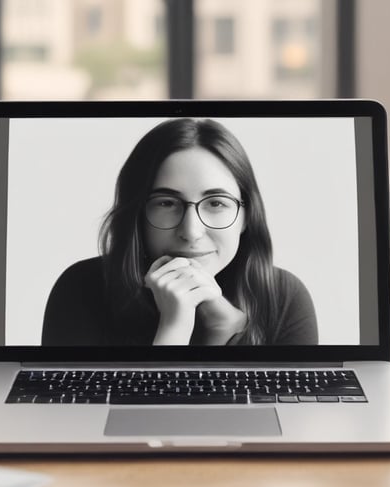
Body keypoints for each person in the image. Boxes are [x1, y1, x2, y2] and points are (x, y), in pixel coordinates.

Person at [42, 118, 318, 346]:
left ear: (246, 217)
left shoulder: (284, 297)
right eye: (166, 203)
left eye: (216, 203)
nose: (191, 231)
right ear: (137, 215)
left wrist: (219, 331)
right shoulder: (81, 288)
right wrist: (175, 326)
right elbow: (143, 415)